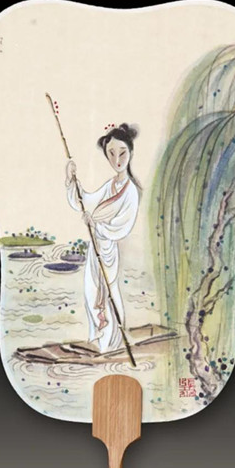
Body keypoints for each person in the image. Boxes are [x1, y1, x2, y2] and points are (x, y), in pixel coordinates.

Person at [66, 123, 141, 352]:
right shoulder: (111, 185)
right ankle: (100, 337)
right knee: (91, 291)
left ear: (130, 152)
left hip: (107, 249)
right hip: (96, 248)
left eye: (122, 153)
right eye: (111, 154)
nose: (117, 159)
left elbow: (122, 226)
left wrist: (97, 226)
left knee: (108, 291)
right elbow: (86, 202)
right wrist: (72, 180)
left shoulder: (130, 191)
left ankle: (112, 341)